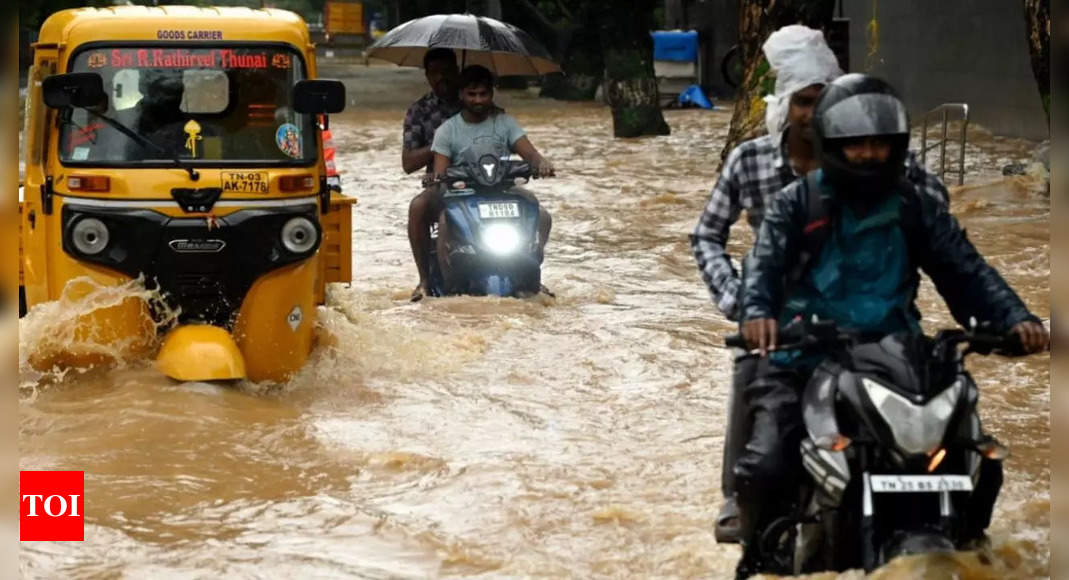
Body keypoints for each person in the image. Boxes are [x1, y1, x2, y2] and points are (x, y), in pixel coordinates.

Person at [733, 73, 1049, 578]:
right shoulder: (797, 205)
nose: (869, 154)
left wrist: (1015, 319)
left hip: (899, 357)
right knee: (766, 464)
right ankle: (759, 559)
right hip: (806, 356)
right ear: (831, 145)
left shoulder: (913, 204)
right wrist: (758, 318)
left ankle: (970, 543)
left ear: (898, 146)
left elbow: (964, 269)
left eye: (880, 143)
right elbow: (763, 269)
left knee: (978, 454)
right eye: (855, 144)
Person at [689, 25, 950, 544]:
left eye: (826, 100)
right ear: (786, 104)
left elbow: (937, 218)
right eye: (805, 101)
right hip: (780, 322)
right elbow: (706, 236)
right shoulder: (751, 161)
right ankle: (740, 501)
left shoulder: (869, 157)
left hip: (864, 315)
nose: (814, 113)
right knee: (756, 389)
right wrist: (737, 300)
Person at [420, 64, 554, 299]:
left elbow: (530, 154)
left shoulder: (505, 123)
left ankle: (533, 275)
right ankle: (448, 285)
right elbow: (441, 173)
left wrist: (541, 162)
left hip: (502, 190)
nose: (478, 100)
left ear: (491, 94)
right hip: (463, 195)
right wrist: (436, 177)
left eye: (483, 94)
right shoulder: (447, 130)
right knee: (444, 221)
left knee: (541, 215)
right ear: (461, 95)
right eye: (472, 94)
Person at [402, 48, 462, 300]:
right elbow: (408, 162)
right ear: (427, 76)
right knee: (418, 207)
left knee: (532, 211)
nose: (442, 79)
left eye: (447, 72)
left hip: (484, 182)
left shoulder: (477, 104)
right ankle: (424, 280)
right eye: (435, 73)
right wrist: (441, 143)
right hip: (440, 185)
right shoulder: (420, 111)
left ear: (457, 72)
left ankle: (532, 275)